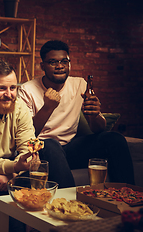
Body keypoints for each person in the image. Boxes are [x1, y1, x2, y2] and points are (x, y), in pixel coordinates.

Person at [0, 60, 74, 231]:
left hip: (10, 167)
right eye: (1, 88)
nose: (9, 94)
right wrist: (13, 168)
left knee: (51, 146)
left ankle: (74, 214)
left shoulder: (18, 106)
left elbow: (29, 146)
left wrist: (12, 172)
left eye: (13, 88)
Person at [18, 40, 135, 185]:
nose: (60, 66)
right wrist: (48, 107)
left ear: (69, 63)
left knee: (114, 139)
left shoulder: (80, 84)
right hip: (43, 149)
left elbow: (99, 130)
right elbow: (27, 134)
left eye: (64, 61)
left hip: (70, 149)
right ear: (43, 66)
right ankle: (71, 204)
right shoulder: (27, 90)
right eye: (53, 62)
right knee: (51, 144)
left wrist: (95, 115)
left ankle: (129, 198)